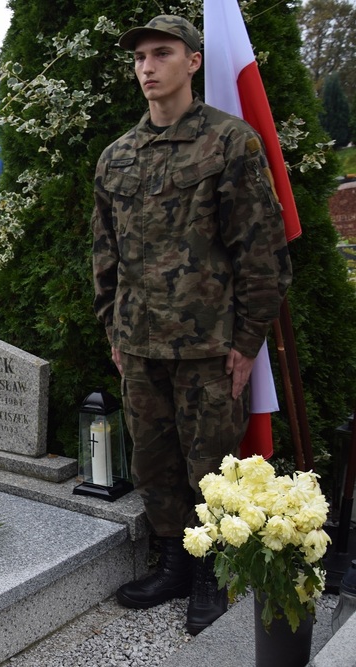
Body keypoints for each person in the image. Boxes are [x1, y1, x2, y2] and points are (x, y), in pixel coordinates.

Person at [91, 15, 292, 636]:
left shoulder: (229, 143)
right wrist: (114, 331)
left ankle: (214, 573)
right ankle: (175, 564)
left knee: (213, 464)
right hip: (139, 344)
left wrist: (247, 341)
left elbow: (261, 252)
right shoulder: (117, 156)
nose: (148, 67)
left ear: (193, 61)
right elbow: (104, 254)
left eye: (162, 53)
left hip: (209, 346)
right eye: (140, 58)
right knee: (153, 465)